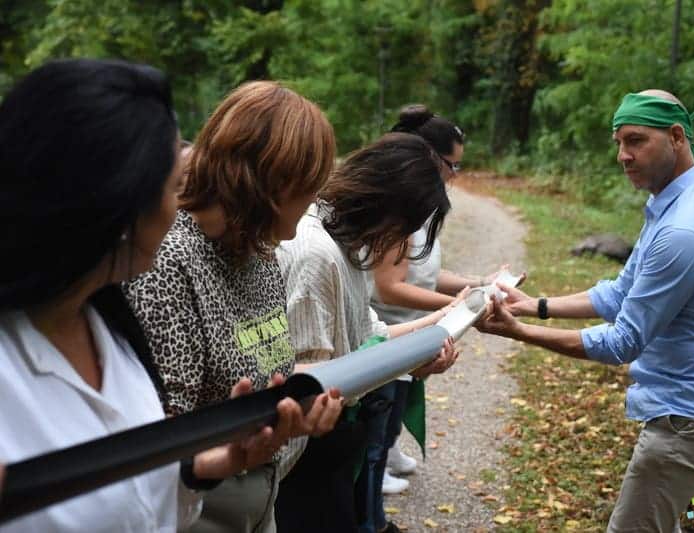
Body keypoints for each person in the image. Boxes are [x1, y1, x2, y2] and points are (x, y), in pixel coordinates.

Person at [0, 59, 308, 533]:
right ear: (120, 204)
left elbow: (143, 495)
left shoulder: (109, 326)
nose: (182, 208)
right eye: (175, 187)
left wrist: (217, 462)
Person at [478, 89, 694, 532]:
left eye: (636, 140)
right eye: (619, 143)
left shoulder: (686, 229)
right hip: (692, 401)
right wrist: (534, 306)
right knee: (668, 518)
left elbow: (622, 341)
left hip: (690, 412)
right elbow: (620, 291)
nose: (623, 156)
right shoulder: (672, 204)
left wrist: (519, 333)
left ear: (676, 137)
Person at [125, 80, 343, 533]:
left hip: (258, 499)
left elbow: (264, 379)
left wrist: (293, 417)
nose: (316, 200)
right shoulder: (167, 262)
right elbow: (161, 442)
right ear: (277, 183)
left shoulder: (260, 257)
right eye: (311, 186)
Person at [276, 132, 460, 533]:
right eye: (405, 227)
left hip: (330, 449)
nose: (403, 242)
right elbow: (313, 379)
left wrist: (446, 321)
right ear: (383, 204)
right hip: (302, 458)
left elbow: (369, 333)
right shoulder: (317, 254)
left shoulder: (350, 244)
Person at [371, 105, 516, 495]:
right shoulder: (398, 208)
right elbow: (388, 286)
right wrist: (453, 307)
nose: (456, 177)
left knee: (402, 395)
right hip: (389, 325)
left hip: (409, 323)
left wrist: (480, 282)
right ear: (428, 158)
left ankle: (389, 448)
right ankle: (378, 461)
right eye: (453, 166)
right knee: (384, 399)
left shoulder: (422, 207)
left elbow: (425, 275)